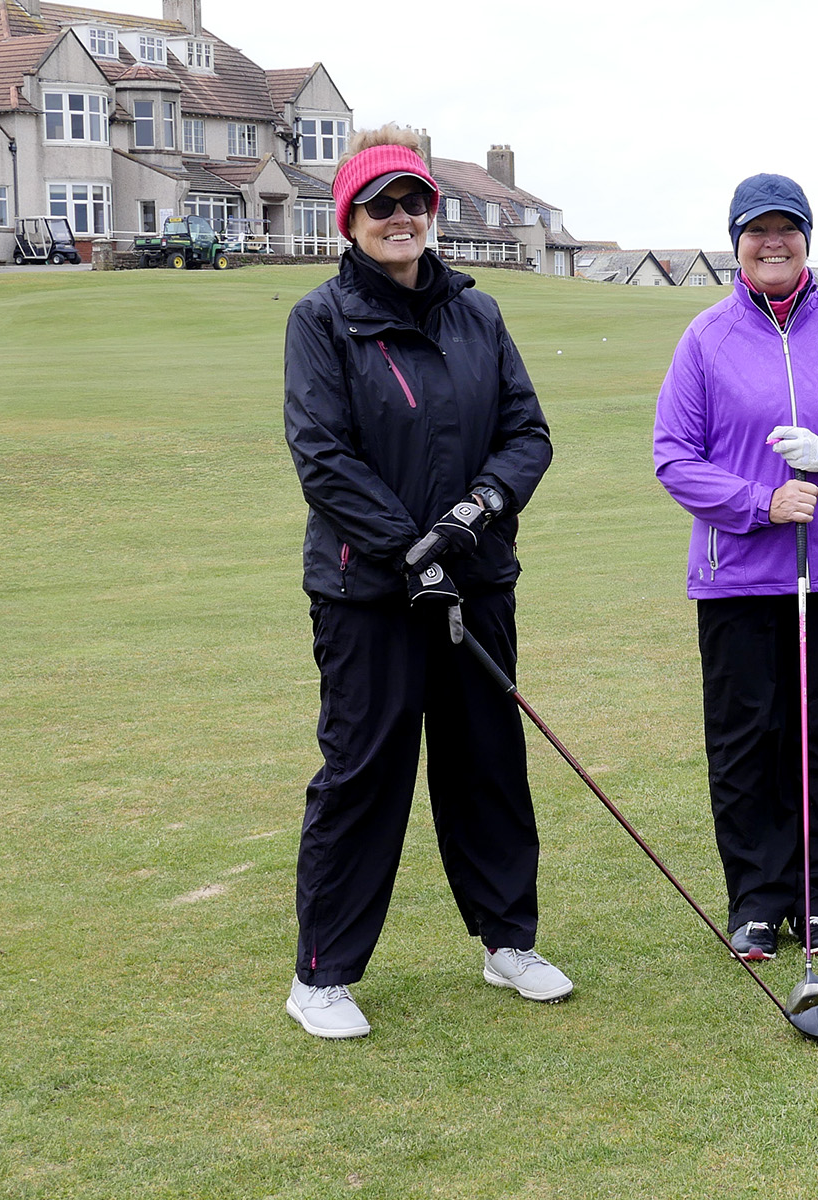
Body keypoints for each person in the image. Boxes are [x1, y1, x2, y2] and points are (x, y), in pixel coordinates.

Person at [281, 126, 569, 1038]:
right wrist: (414, 551)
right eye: (382, 206)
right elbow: (322, 457)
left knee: (488, 761)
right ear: (352, 220)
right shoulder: (322, 320)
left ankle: (506, 941)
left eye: (414, 202)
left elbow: (527, 435)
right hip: (368, 595)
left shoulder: (477, 315)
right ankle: (321, 975)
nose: (401, 218)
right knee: (365, 773)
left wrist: (467, 521)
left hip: (476, 582)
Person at [652, 174, 818, 961]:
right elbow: (674, 457)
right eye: (757, 230)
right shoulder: (706, 338)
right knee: (747, 740)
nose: (774, 243)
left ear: (807, 237)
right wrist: (760, 504)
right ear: (736, 242)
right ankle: (756, 901)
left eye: (788, 229)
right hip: (738, 573)